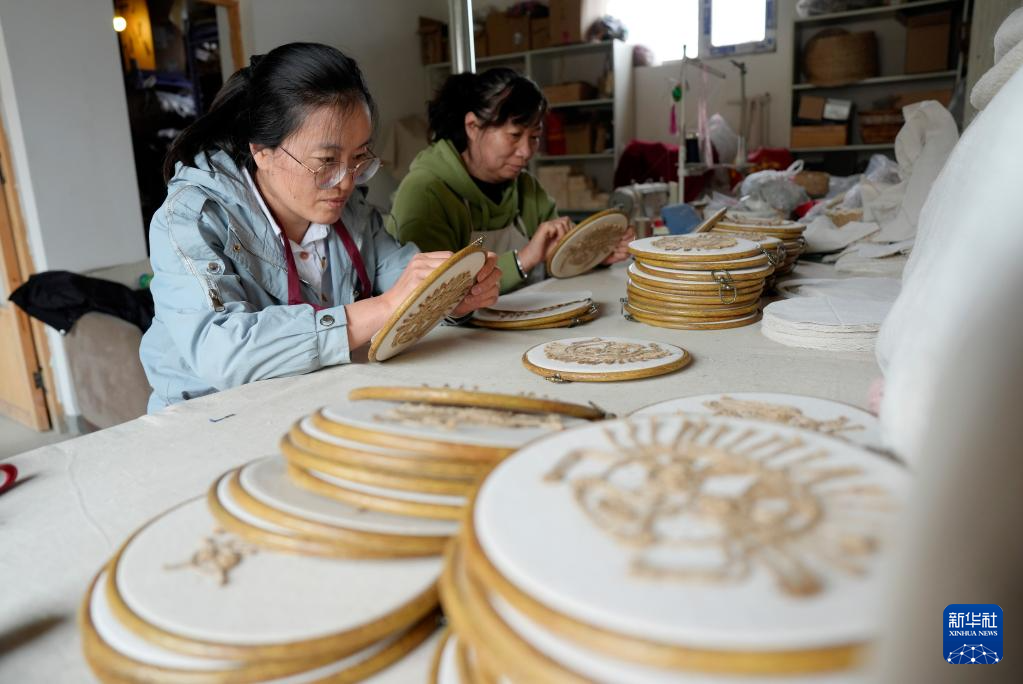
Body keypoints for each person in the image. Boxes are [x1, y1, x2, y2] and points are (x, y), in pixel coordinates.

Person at [140, 43, 500, 412]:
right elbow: (225, 353)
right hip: (210, 419)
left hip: (314, 402)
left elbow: (402, 276)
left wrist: (450, 296)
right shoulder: (191, 219)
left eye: (358, 157)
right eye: (326, 161)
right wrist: (386, 306)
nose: (346, 182)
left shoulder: (351, 213)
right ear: (262, 151)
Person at [387, 68, 632, 294]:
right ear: (473, 126)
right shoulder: (425, 192)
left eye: (534, 137)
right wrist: (523, 259)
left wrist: (594, 255)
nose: (526, 151)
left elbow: (557, 257)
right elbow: (435, 294)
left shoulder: (526, 188)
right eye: (514, 135)